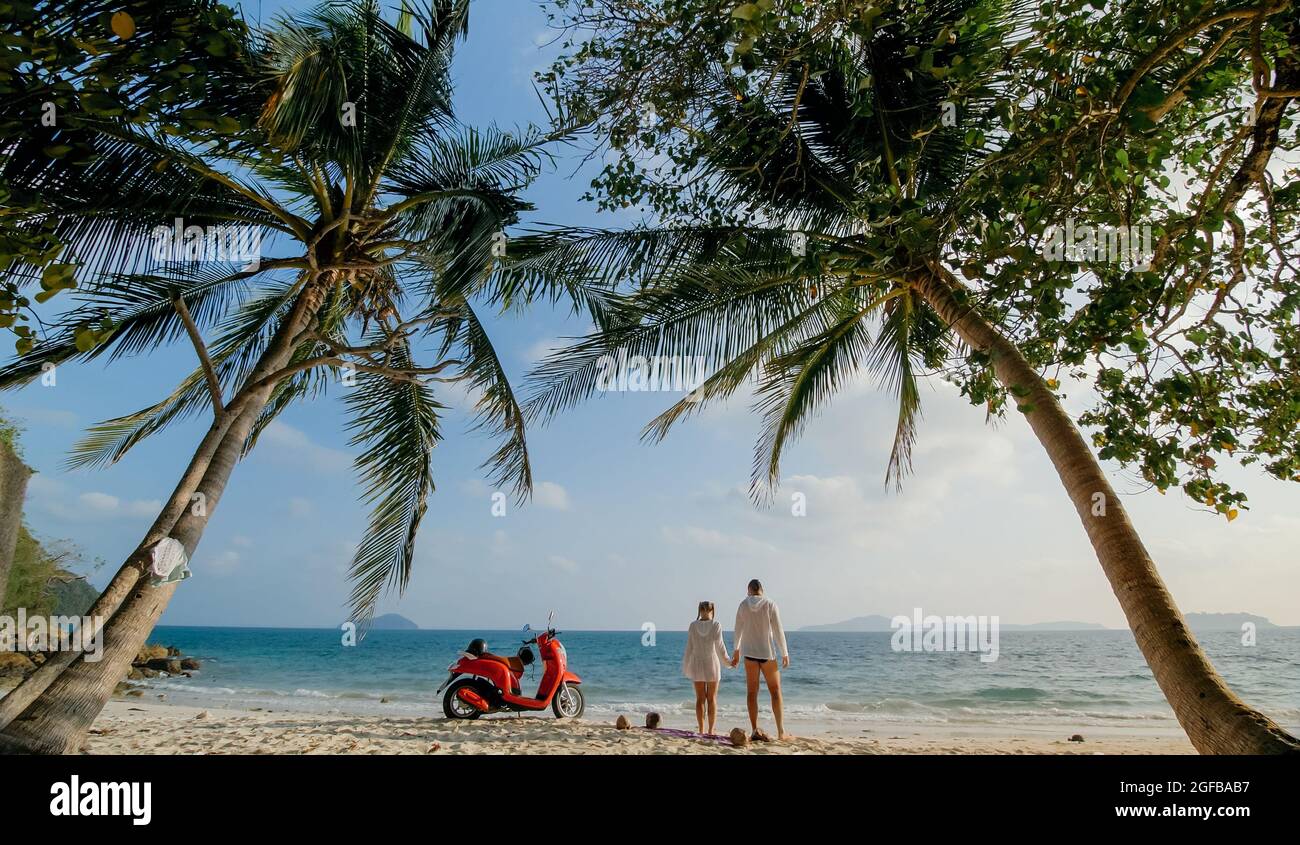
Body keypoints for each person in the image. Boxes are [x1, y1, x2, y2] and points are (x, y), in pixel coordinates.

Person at [730, 579, 790, 741]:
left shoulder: (743, 605)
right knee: (775, 692)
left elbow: (738, 629)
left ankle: (755, 729)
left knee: (751, 692)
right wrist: (784, 652)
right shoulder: (770, 604)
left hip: (749, 654)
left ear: (749, 590)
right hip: (767, 653)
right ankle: (781, 732)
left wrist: (736, 651)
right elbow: (778, 629)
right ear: (761, 590)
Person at [681, 600, 731, 735]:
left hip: (697, 664)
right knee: (712, 698)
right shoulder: (716, 624)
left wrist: (685, 666)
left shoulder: (693, 625)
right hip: (712, 663)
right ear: (712, 610)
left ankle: (702, 729)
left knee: (700, 699)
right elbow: (720, 647)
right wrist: (728, 662)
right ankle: (710, 730)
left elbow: (689, 648)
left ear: (700, 610)